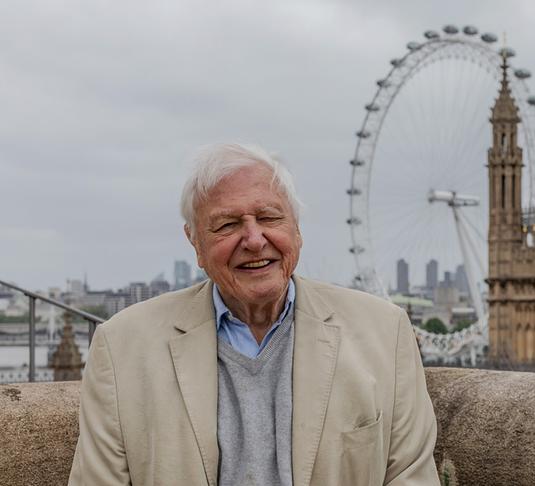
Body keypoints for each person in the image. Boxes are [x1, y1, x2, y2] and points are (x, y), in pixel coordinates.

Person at [69, 143, 438, 486]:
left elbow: (411, 475)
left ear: (297, 228)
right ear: (195, 243)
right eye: (227, 225)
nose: (254, 240)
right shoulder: (121, 348)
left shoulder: (385, 332)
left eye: (269, 217)